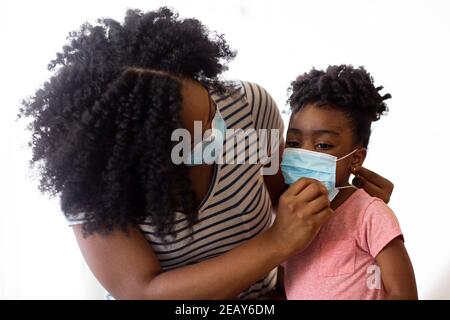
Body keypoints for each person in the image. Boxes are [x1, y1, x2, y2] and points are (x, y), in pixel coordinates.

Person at [19, 8, 394, 299]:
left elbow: (287, 196)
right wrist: (275, 244)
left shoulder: (245, 106)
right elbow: (142, 292)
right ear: (148, 159)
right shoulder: (94, 188)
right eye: (195, 138)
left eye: (210, 112)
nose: (220, 133)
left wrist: (350, 203)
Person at [280, 65, 417, 299]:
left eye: (322, 145)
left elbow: (404, 293)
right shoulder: (286, 216)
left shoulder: (370, 213)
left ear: (356, 158)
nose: (304, 153)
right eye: (293, 142)